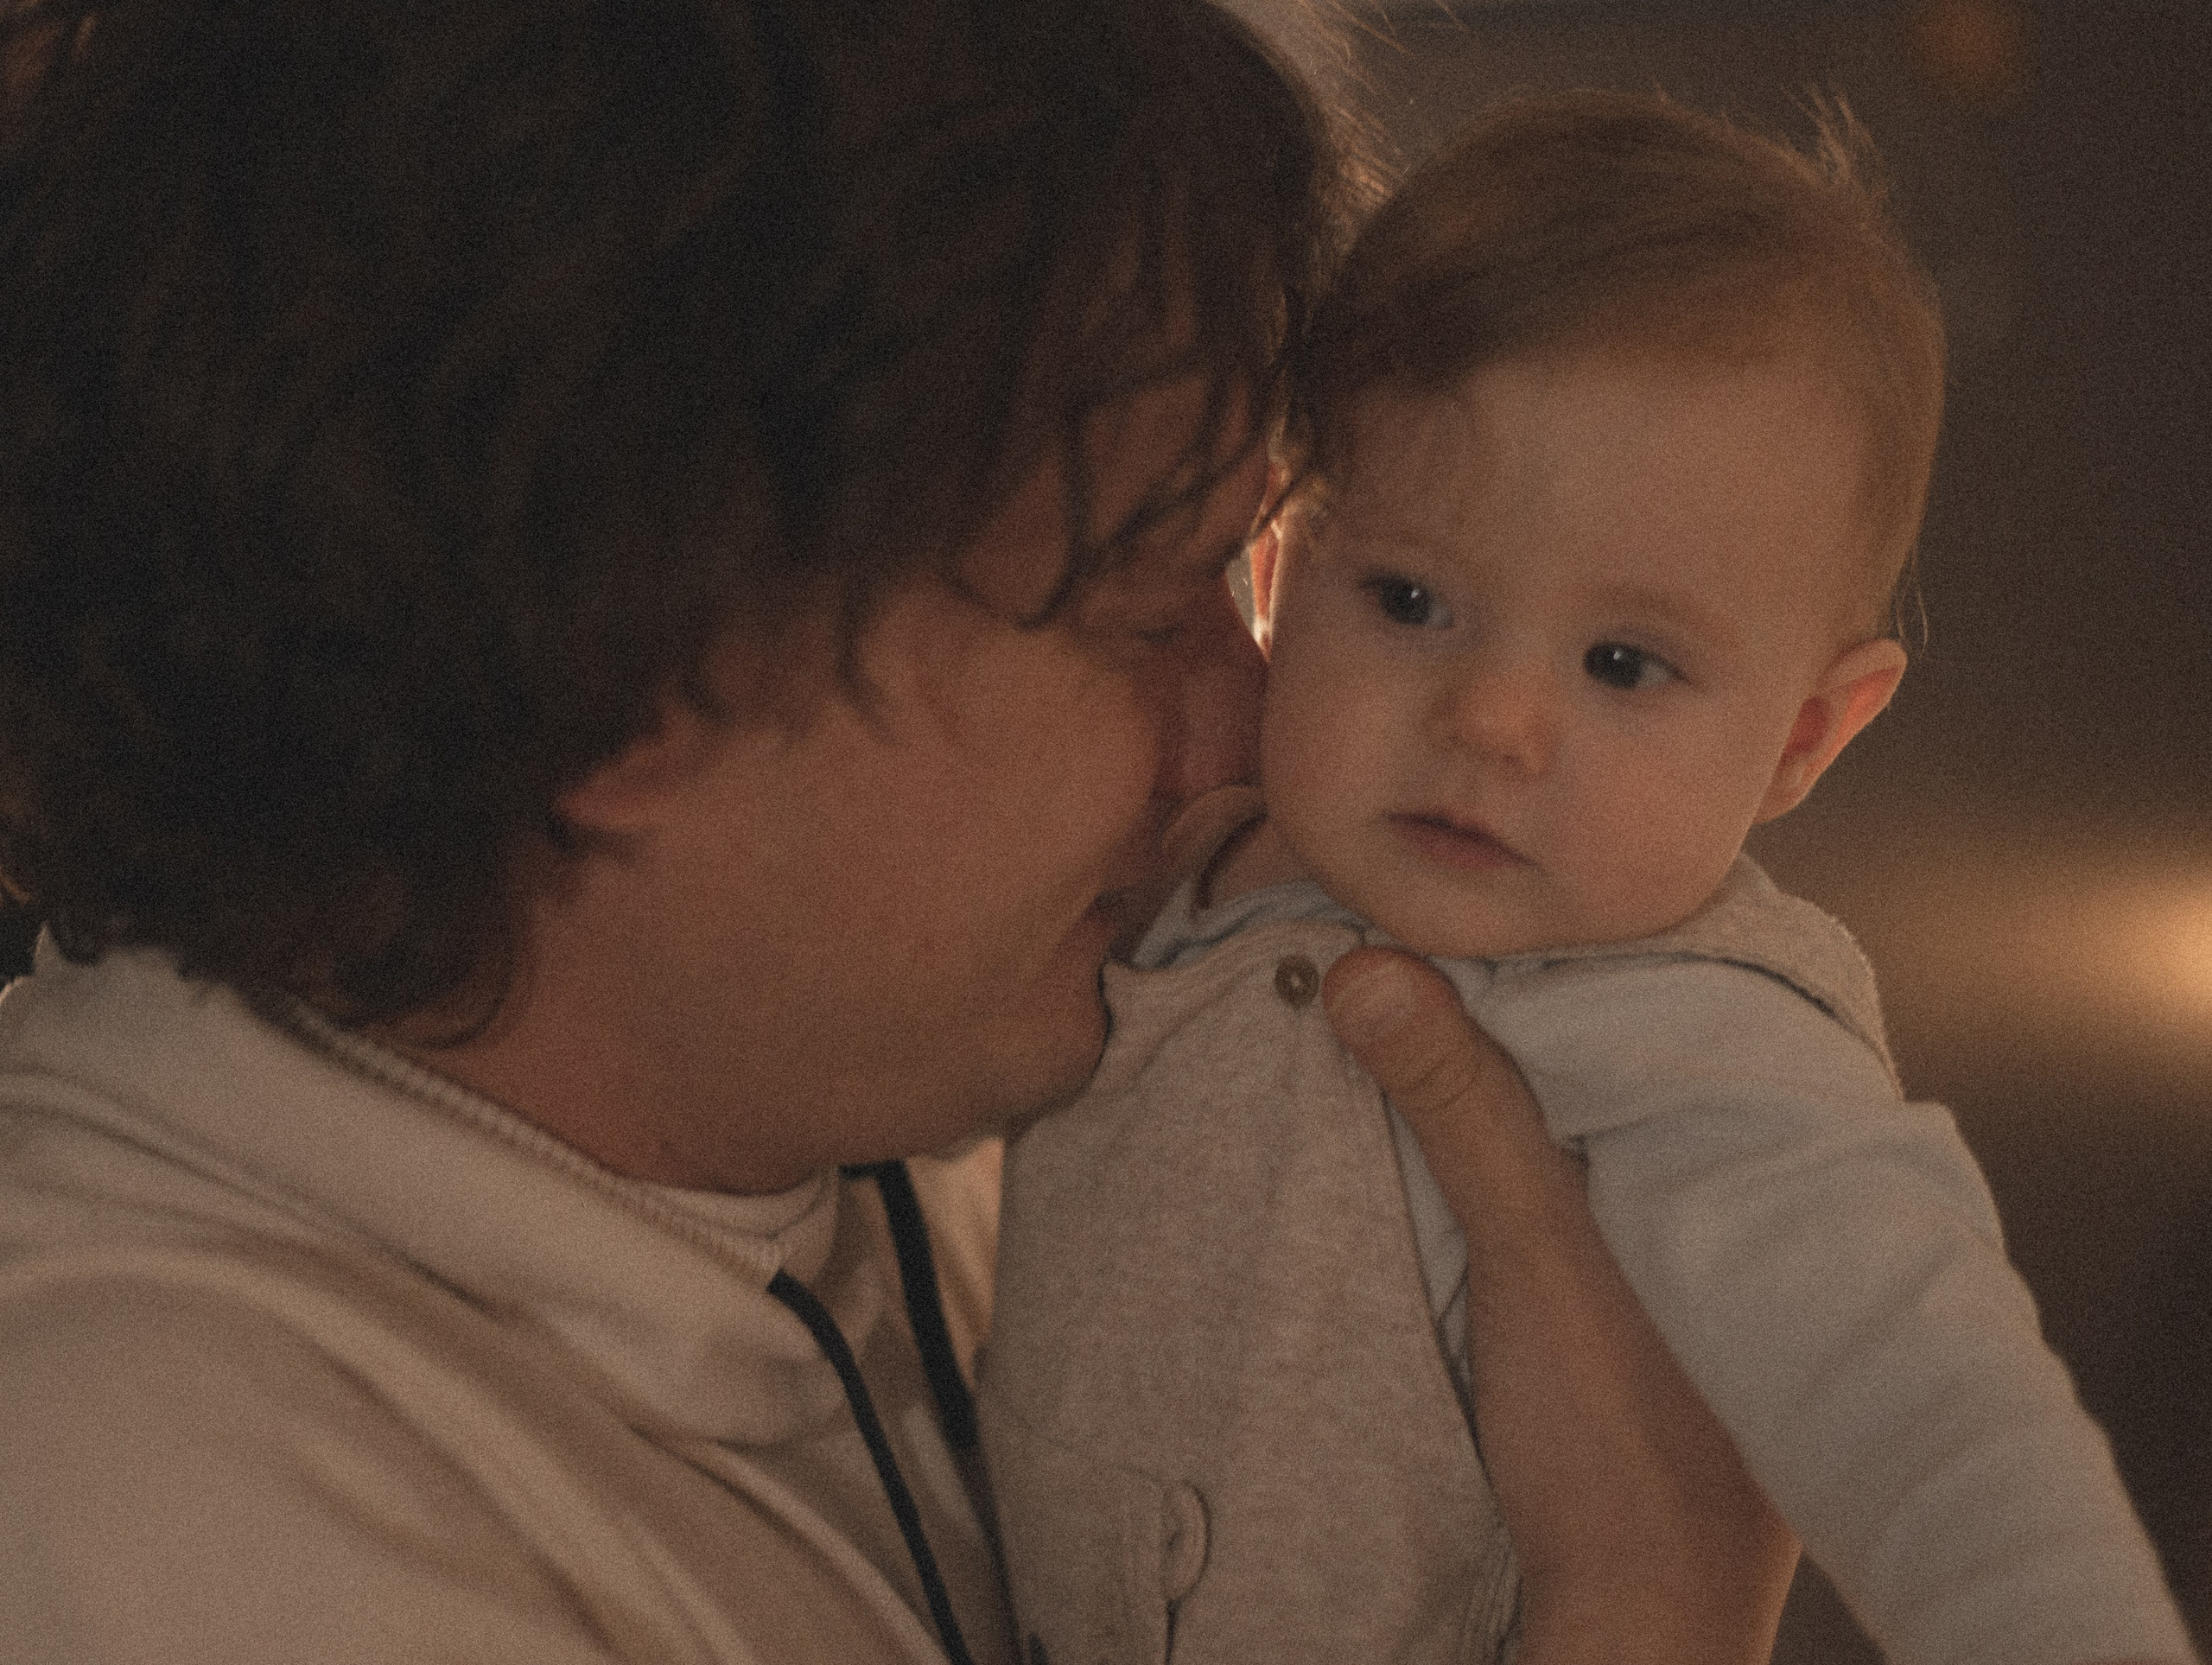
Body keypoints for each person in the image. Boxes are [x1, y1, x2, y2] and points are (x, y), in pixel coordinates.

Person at [0, 3, 1799, 1662]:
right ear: (636, 663)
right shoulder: (145, 1503)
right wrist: (1646, 1601)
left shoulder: (871, 1130)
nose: (1242, 728)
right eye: (1135, 601)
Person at [982, 90, 2200, 1665]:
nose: (1492, 720)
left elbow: (1926, 1400)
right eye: (1410, 597)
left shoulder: (1691, 1024)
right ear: (1278, 578)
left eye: (1624, 661)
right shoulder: (1162, 869)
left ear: (1801, 743)